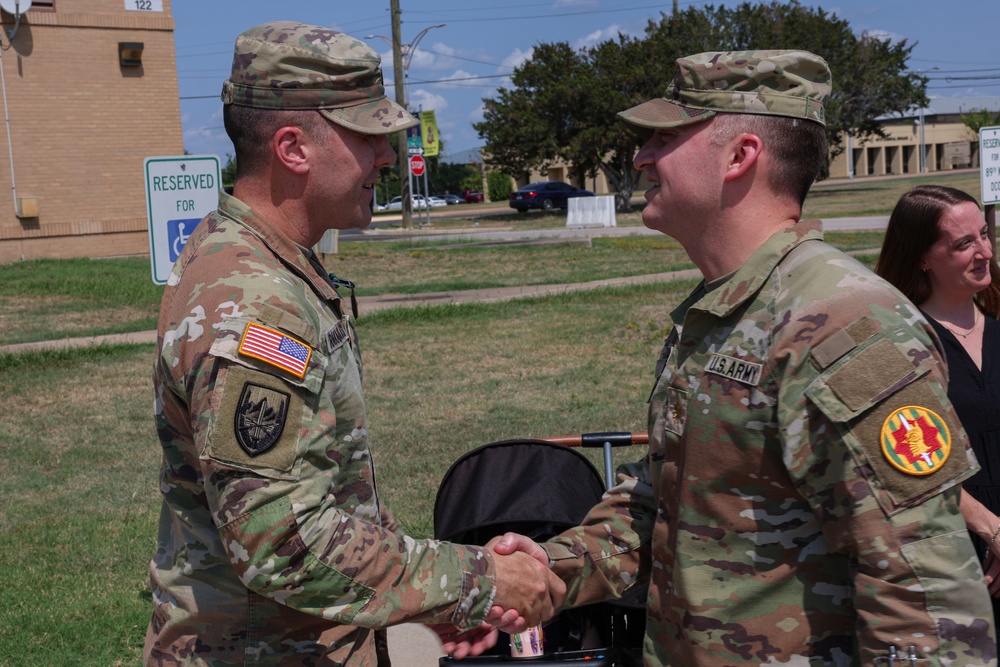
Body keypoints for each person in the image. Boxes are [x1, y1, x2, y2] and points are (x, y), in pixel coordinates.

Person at [494, 50, 997, 665]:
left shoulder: (843, 322)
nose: (641, 156)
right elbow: (670, 500)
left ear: (740, 156)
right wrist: (549, 569)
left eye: (666, 137)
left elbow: (926, 594)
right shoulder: (724, 310)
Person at [144, 21, 561, 666]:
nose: (387, 157)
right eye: (367, 137)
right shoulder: (257, 302)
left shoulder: (265, 263)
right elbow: (281, 540)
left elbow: (332, 491)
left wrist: (425, 603)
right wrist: (479, 582)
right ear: (293, 147)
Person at [875, 184, 1000, 632]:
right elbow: (912, 460)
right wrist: (992, 534)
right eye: (964, 243)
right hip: (949, 553)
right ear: (923, 257)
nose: (984, 250)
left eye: (985, 235)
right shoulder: (899, 342)